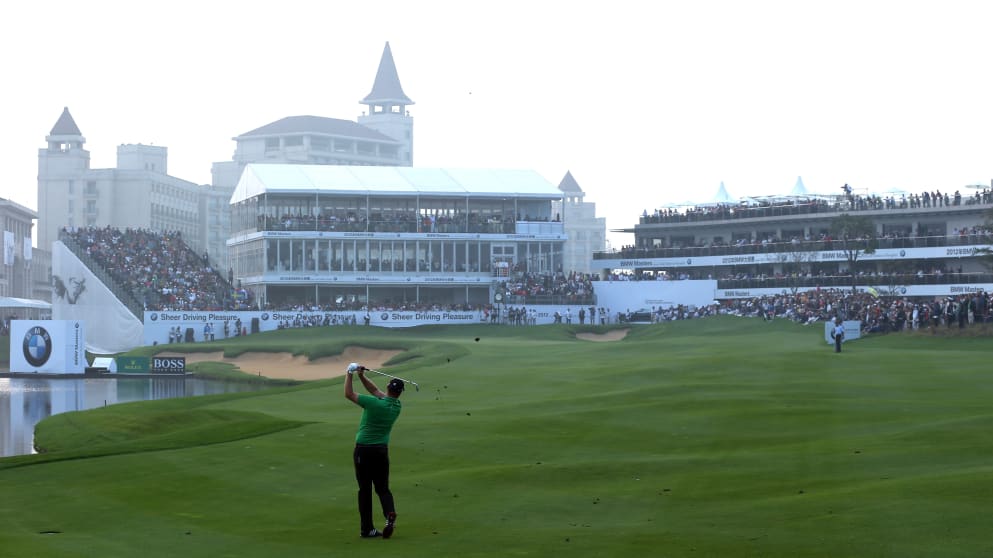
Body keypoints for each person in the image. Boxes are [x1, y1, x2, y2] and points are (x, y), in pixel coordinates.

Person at [344, 362, 403, 539]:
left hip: (363, 451)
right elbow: (376, 392)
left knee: (364, 490)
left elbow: (348, 394)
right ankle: (389, 513)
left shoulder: (373, 404)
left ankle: (367, 529)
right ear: (399, 393)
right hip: (381, 452)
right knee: (383, 488)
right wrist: (362, 376)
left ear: (388, 387)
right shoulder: (396, 406)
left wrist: (349, 373)